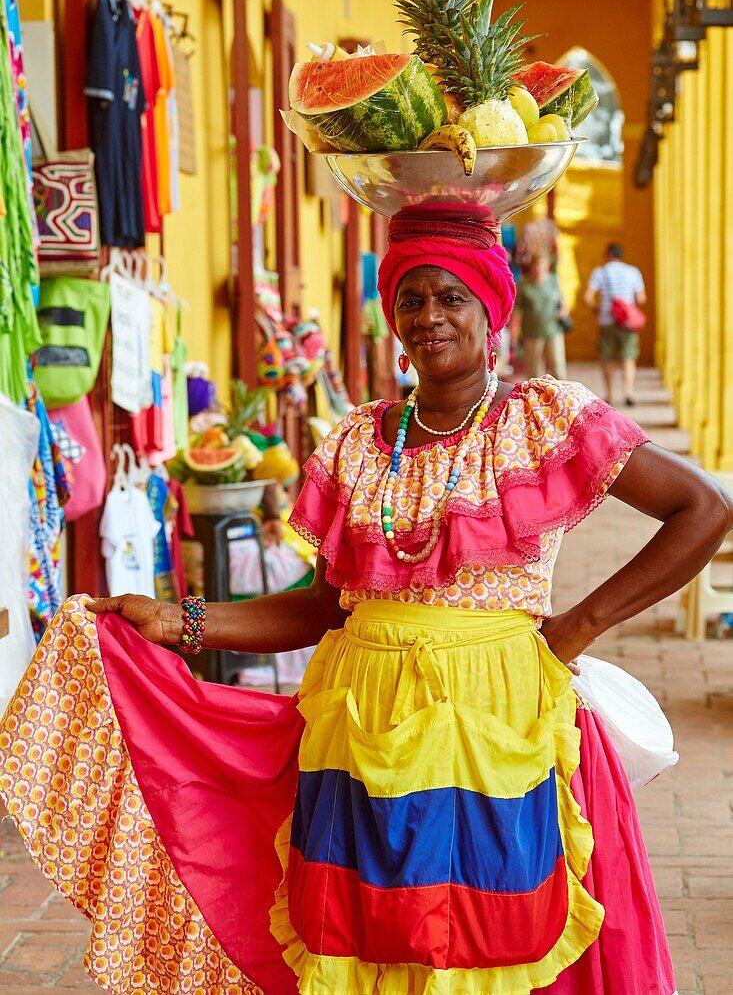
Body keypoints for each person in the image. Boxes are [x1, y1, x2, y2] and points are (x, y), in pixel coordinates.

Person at [3, 204, 732, 995]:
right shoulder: (357, 441)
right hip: (357, 723)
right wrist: (180, 618)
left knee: (490, 940)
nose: (429, 317)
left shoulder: (539, 420)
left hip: (497, 719)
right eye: (411, 300)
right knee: (364, 938)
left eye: (450, 298)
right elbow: (323, 608)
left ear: (490, 309)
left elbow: (703, 508)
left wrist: (572, 630)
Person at [585, 242, 646, 407]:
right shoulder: (633, 272)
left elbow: (588, 297)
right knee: (628, 357)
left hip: (607, 321)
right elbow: (641, 298)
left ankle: (609, 394)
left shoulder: (600, 272)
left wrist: (597, 309)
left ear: (608, 255)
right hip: (627, 323)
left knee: (607, 358)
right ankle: (628, 393)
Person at [514, 250, 568, 379]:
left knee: (558, 366)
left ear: (547, 266)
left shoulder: (553, 281)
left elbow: (562, 302)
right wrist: (514, 335)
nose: (539, 268)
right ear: (532, 266)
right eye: (536, 265)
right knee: (534, 370)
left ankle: (562, 396)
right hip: (532, 333)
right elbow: (516, 311)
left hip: (553, 330)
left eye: (542, 265)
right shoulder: (523, 284)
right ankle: (537, 397)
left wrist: (563, 311)